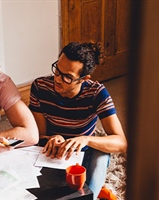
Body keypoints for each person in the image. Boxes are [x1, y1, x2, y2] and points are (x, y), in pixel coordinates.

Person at [29, 42, 127, 199]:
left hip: (87, 151)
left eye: (67, 77)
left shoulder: (97, 93)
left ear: (84, 79)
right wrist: (51, 138)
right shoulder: (40, 87)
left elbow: (121, 143)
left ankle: (97, 189)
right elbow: (38, 136)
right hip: (54, 151)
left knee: (89, 193)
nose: (58, 79)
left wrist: (86, 140)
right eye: (57, 70)